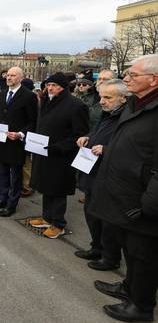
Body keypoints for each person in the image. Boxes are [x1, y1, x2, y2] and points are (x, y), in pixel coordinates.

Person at [89, 54, 158, 323]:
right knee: (131, 251)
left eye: (133, 75)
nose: (126, 78)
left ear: (153, 79)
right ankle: (129, 288)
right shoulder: (136, 103)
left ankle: (141, 307)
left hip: (143, 200)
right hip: (123, 192)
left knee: (144, 256)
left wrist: (149, 204)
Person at [29, 72, 90, 238]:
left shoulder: (76, 105)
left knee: (57, 190)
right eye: (48, 85)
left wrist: (58, 148)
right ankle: (47, 218)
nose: (50, 88)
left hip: (61, 156)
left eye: (54, 85)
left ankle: (58, 224)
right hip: (44, 152)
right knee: (46, 187)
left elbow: (80, 135)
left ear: (63, 87)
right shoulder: (46, 101)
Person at [74, 79, 127, 271]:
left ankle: (110, 257)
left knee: (107, 220)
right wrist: (87, 136)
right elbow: (98, 131)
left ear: (123, 98)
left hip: (109, 175)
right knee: (91, 213)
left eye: (108, 97)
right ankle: (96, 247)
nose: (102, 101)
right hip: (92, 171)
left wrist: (106, 149)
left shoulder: (126, 116)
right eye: (102, 96)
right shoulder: (108, 114)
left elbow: (128, 146)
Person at [0, 68, 38, 216]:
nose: (9, 77)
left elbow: (33, 121)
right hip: (0, 140)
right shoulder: (2, 93)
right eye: (8, 75)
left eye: (12, 75)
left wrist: (21, 134)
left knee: (15, 175)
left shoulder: (29, 96)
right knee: (2, 172)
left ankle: (12, 204)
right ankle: (2, 199)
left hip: (16, 142)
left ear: (21, 78)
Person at [20, 77, 37, 198]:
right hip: (26, 134)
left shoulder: (31, 98)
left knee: (26, 163)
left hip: (28, 135)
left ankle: (28, 186)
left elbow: (33, 119)